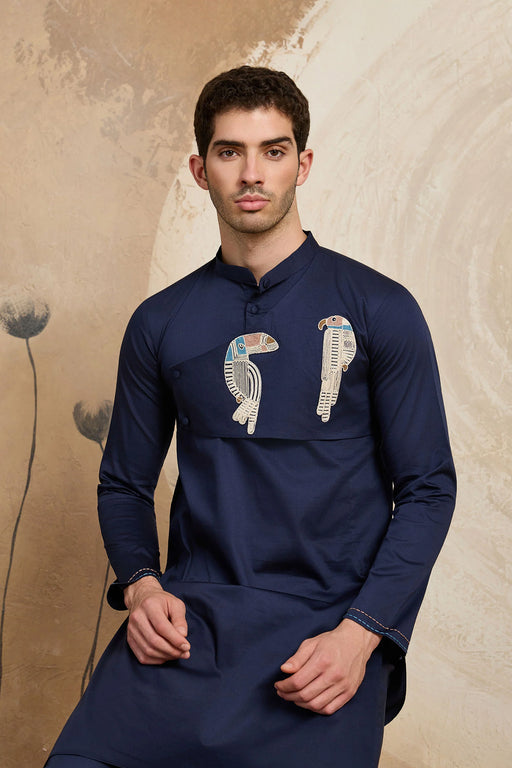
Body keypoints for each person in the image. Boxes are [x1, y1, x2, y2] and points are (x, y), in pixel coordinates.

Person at [47, 66, 456, 768]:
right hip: (188, 627)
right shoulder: (160, 322)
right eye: (230, 151)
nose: (252, 174)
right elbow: (123, 484)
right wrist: (142, 588)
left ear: (303, 164)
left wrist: (362, 635)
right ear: (200, 170)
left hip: (326, 640)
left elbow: (428, 489)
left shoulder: (382, 310)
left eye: (273, 150)